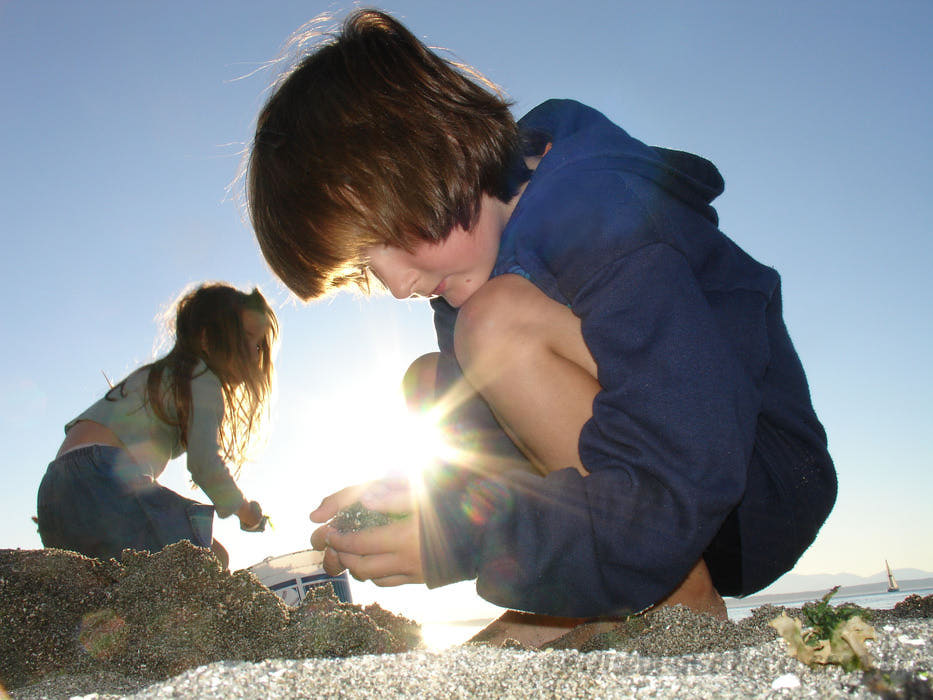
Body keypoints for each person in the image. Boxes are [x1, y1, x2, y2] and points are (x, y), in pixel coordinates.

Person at [245, 9, 837, 645]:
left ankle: (681, 606)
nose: (395, 285)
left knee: (492, 331)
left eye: (389, 237)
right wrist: (424, 508)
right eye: (366, 269)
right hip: (638, 510)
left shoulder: (603, 209)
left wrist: (465, 538)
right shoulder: (467, 279)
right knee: (433, 383)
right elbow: (503, 444)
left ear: (442, 148)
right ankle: (578, 603)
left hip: (745, 484)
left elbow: (685, 459)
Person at [37, 283, 278, 570]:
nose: (256, 352)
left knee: (120, 577)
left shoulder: (156, 376)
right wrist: (245, 511)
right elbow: (204, 465)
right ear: (206, 338)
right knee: (206, 561)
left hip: (53, 492)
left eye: (261, 344)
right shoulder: (203, 378)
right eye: (249, 338)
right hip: (103, 479)